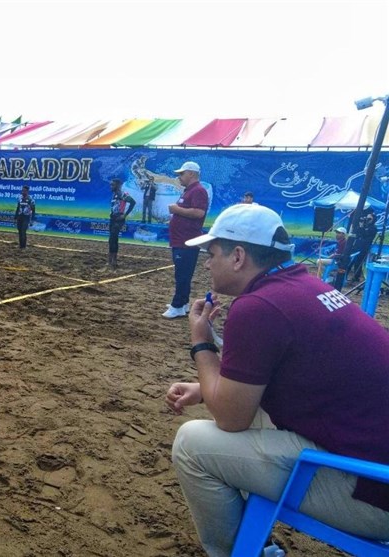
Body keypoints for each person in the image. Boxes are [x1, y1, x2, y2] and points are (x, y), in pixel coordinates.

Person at [164, 203, 389, 556]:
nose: (207, 263)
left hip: (372, 492)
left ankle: (235, 552)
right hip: (373, 461)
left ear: (238, 256)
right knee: (237, 421)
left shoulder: (258, 307)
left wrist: (200, 341)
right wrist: (208, 391)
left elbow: (231, 418)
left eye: (212, 253)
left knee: (192, 445)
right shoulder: (304, 286)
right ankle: (255, 544)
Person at [163, 161, 209, 319]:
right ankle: (182, 303)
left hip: (187, 241)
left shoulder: (198, 191)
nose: (179, 177)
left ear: (191, 173)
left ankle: (177, 305)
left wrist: (176, 210)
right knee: (182, 274)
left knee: (182, 274)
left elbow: (198, 213)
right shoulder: (190, 190)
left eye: (181, 174)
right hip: (182, 240)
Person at [108, 179, 136, 269]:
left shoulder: (122, 194)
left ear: (117, 185)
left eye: (113, 185)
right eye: (111, 185)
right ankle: (111, 260)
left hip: (118, 219)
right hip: (113, 218)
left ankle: (113, 261)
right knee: (112, 240)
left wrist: (125, 215)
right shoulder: (114, 194)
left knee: (113, 239)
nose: (111, 186)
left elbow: (132, 202)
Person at [349, 207, 377, 283]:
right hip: (357, 245)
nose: (367, 220)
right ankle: (347, 274)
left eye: (369, 219)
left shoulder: (373, 228)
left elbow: (365, 234)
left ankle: (356, 277)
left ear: (373, 220)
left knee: (358, 262)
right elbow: (357, 234)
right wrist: (359, 226)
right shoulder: (364, 226)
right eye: (367, 218)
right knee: (351, 260)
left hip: (364, 247)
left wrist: (361, 227)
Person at [15, 185, 36, 249]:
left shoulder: (31, 200)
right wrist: (15, 217)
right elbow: (18, 208)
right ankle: (20, 245)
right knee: (19, 231)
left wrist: (32, 220)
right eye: (22, 190)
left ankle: (24, 246)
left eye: (24, 191)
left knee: (23, 231)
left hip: (26, 217)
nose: (22, 192)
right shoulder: (20, 199)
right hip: (20, 217)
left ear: (27, 191)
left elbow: (33, 210)